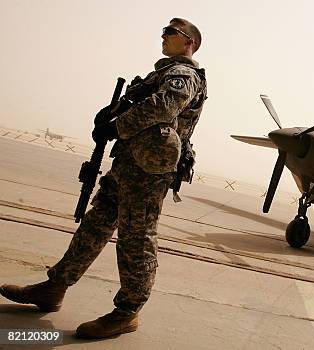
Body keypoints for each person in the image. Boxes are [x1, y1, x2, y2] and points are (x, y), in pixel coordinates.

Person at [0, 18, 207, 339]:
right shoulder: (161, 73)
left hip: (149, 171)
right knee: (95, 224)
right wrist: (113, 115)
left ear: (189, 43)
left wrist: (117, 125)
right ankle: (54, 287)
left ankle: (127, 312)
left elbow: (164, 106)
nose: (163, 37)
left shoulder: (184, 74)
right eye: (163, 32)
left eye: (170, 33)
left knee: (136, 238)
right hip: (130, 164)